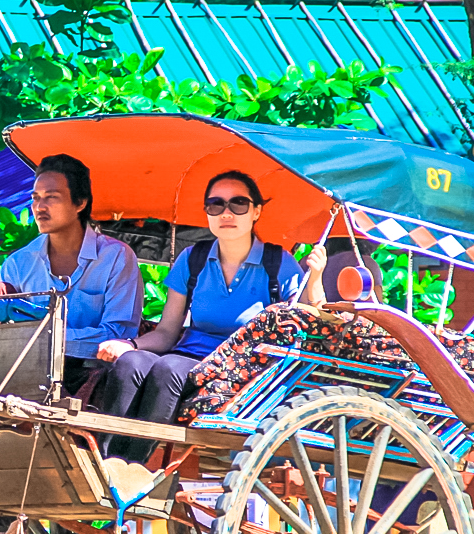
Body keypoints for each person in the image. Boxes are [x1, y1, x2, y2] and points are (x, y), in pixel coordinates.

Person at [96, 170, 327, 459]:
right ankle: (105, 463)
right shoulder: (192, 259)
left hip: (242, 368)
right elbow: (167, 332)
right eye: (216, 205)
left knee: (168, 369)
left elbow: (314, 321)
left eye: (238, 204)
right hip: (188, 356)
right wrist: (129, 345)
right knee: (131, 362)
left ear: (256, 211)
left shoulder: (278, 262)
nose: (226, 213)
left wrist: (315, 276)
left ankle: (135, 466)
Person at [0, 153, 142, 395]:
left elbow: (118, 335)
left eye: (51, 198)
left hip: (97, 378)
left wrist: (46, 338)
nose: (39, 207)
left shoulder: (116, 257)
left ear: (80, 203)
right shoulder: (18, 263)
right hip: (25, 375)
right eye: (35, 198)